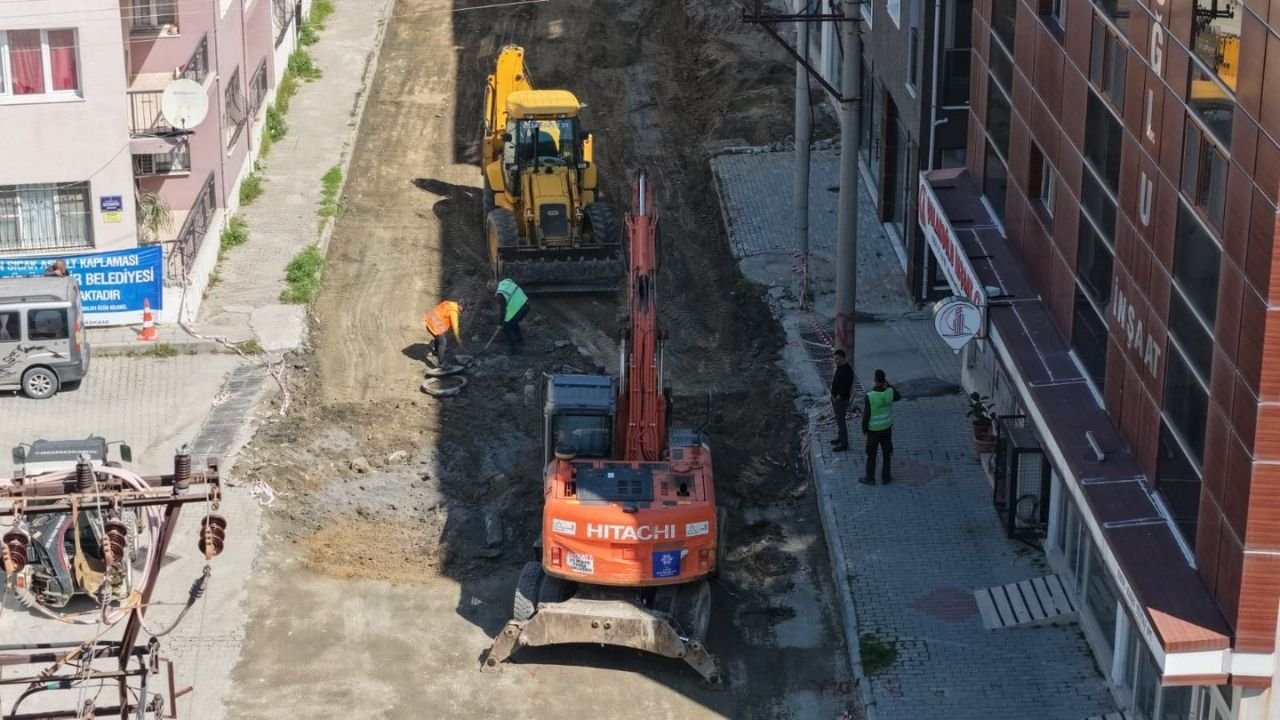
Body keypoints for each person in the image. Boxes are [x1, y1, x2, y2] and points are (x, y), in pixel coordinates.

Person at [861, 369, 902, 485]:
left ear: (875, 381)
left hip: (873, 431)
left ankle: (870, 478)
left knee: (871, 455)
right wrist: (888, 384)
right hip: (886, 428)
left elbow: (866, 415)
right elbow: (899, 396)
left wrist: (864, 428)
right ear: (884, 380)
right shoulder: (890, 392)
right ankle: (886, 477)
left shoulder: (870, 396)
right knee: (886, 453)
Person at [489, 278, 530, 354]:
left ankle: (515, 348)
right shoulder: (507, 281)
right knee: (513, 323)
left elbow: (502, 310)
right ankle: (520, 341)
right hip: (525, 303)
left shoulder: (500, 294)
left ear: (493, 288)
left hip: (520, 309)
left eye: (492, 291)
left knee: (506, 327)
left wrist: (500, 324)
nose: (493, 293)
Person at [422, 300, 463, 367]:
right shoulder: (453, 312)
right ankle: (442, 363)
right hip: (435, 324)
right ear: (460, 306)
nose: (462, 311)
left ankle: (436, 352)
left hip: (430, 320)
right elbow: (455, 328)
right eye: (462, 309)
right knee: (443, 342)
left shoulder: (450, 303)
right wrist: (458, 340)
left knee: (438, 337)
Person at [829, 349, 853, 452]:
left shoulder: (847, 371)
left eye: (837, 359)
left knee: (841, 421)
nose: (836, 361)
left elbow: (846, 387)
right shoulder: (840, 367)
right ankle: (840, 438)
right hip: (836, 399)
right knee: (838, 421)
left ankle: (844, 444)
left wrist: (838, 396)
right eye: (835, 359)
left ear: (843, 358)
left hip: (841, 400)